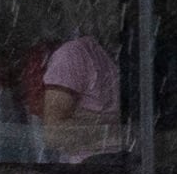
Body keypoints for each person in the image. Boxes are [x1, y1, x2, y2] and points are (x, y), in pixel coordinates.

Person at [33, 14, 121, 150]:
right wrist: (109, 129)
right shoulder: (72, 55)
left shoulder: (120, 53)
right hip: (91, 166)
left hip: (126, 161)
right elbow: (55, 134)